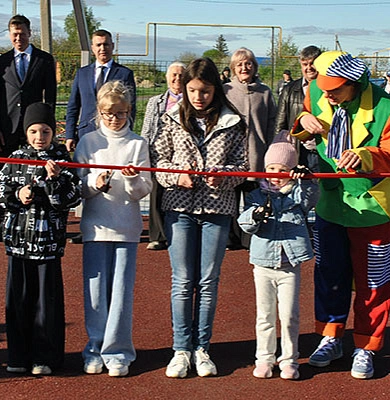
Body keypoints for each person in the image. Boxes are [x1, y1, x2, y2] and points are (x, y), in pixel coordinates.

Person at [289, 51, 390, 379]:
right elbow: (305, 129)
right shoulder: (315, 92)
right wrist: (303, 124)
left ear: (354, 83)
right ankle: (330, 336)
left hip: (371, 209)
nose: (326, 93)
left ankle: (366, 345)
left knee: (375, 283)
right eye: (323, 87)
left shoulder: (387, 108)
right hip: (331, 204)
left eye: (335, 88)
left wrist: (364, 156)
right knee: (329, 275)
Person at [151, 57, 248, 379]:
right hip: (179, 207)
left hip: (217, 209)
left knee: (208, 282)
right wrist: (176, 176)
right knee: (182, 281)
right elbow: (159, 160)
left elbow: (242, 165)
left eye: (204, 91)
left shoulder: (233, 122)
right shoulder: (171, 119)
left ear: (215, 90)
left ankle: (202, 348)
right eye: (192, 90)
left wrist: (226, 176)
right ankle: (181, 349)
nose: (197, 97)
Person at [0, 102, 82, 376]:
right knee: (18, 301)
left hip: (49, 245)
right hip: (18, 243)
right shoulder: (16, 157)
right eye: (33, 131)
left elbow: (71, 199)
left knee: (47, 304)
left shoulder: (63, 160)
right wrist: (17, 197)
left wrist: (54, 182)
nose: (39, 137)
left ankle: (46, 357)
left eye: (45, 130)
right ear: (26, 132)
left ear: (53, 132)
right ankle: (18, 356)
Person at [74, 81, 151, 377]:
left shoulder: (137, 143)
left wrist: (131, 180)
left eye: (119, 114)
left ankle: (118, 351)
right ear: (99, 113)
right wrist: (95, 183)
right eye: (108, 114)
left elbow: (144, 188)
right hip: (95, 228)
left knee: (120, 293)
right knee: (95, 293)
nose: (114, 120)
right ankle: (94, 347)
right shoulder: (88, 142)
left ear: (128, 111)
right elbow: (77, 186)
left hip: (126, 229)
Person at [238, 135, 318, 381]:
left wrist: (305, 180)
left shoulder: (296, 196)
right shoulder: (256, 196)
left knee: (290, 315)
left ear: (291, 171)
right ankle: (264, 357)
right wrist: (257, 215)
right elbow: (244, 222)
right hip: (263, 264)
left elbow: (311, 198)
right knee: (264, 314)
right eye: (271, 168)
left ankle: (289, 359)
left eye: (283, 170)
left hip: (289, 265)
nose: (275, 174)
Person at [0, 14, 57, 241]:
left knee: (35, 175)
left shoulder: (44, 60)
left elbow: (50, 98)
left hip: (34, 131)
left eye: (22, 33)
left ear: (30, 33)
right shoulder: (2, 61)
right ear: (10, 35)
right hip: (7, 129)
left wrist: (47, 129)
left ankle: (34, 221)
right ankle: (4, 222)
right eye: (14, 34)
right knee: (5, 177)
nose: (18, 38)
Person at [224, 47, 276, 250]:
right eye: (239, 64)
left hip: (258, 152)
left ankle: (250, 237)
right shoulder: (226, 91)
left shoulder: (265, 92)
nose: (244, 68)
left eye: (248, 64)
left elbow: (272, 121)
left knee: (255, 198)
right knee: (231, 197)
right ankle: (231, 237)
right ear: (233, 68)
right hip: (231, 155)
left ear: (254, 67)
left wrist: (270, 146)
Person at [65, 29, 136, 152]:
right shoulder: (82, 73)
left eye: (106, 44)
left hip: (114, 132)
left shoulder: (125, 74)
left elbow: (131, 107)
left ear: (112, 46)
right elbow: (73, 106)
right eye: (98, 45)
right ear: (93, 48)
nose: (102, 48)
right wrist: (69, 135)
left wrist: (126, 131)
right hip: (86, 132)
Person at [141, 62, 185, 251]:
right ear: (167, 78)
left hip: (181, 153)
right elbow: (147, 128)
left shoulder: (190, 101)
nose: (177, 79)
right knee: (157, 193)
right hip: (159, 153)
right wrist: (144, 150)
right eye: (174, 75)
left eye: (181, 75)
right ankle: (157, 236)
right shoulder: (155, 101)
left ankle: (179, 235)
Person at [275, 45, 322, 173]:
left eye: (312, 63)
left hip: (324, 152)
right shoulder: (289, 90)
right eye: (304, 64)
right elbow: (280, 124)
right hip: (298, 152)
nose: (309, 68)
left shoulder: (330, 90)